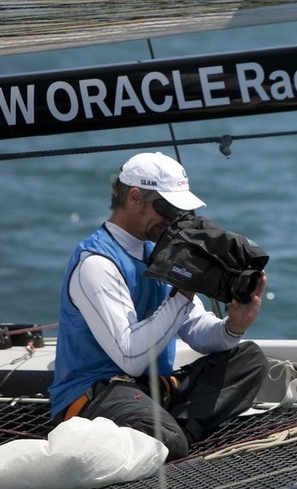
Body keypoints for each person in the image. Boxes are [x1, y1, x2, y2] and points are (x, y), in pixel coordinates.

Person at [48, 152, 269, 461]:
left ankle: (172, 435)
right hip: (97, 397)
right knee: (165, 435)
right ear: (135, 198)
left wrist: (234, 325)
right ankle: (175, 435)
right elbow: (130, 358)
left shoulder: (161, 253)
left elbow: (198, 332)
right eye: (166, 207)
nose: (173, 218)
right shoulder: (97, 264)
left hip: (152, 392)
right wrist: (183, 293)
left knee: (251, 359)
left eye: (180, 208)